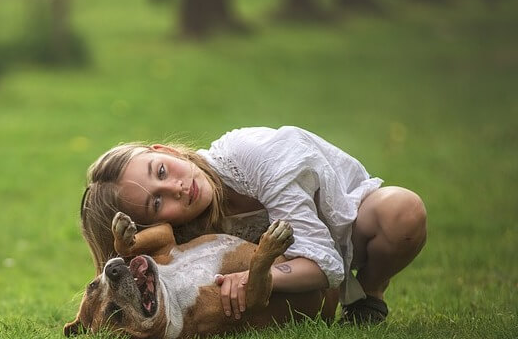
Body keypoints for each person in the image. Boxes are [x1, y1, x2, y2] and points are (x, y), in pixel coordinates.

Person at [80, 126, 427, 324]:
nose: (177, 188)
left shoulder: (255, 157)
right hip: (300, 267)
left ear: (165, 151)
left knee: (402, 213)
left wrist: (254, 276)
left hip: (350, 227)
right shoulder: (184, 229)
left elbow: (326, 264)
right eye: (157, 202)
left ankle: (369, 292)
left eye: (161, 170)